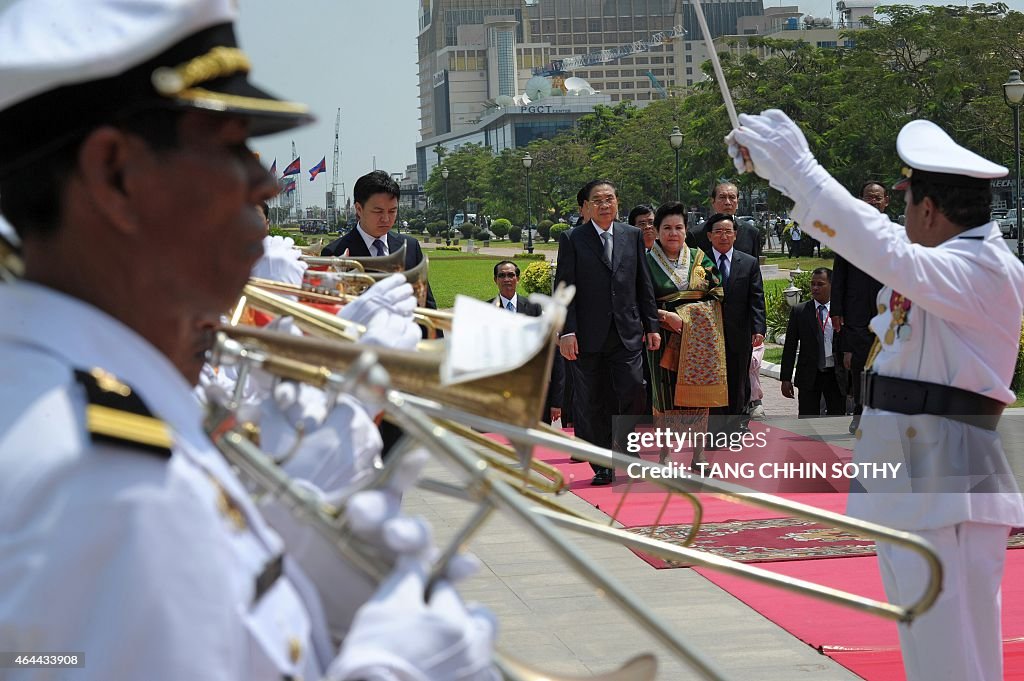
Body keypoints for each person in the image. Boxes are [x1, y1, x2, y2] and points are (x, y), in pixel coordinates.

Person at [0, 1, 496, 679]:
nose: (264, 182)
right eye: (231, 145)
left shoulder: (88, 415)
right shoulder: (107, 480)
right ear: (116, 175)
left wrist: (289, 576)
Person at [729, 109, 1024, 681]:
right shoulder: (947, 261)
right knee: (935, 652)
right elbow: (886, 243)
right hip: (917, 472)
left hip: (946, 477)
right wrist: (785, 177)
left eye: (908, 200)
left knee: (951, 656)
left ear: (930, 209)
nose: (901, 214)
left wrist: (804, 170)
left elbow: (886, 250)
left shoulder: (986, 267)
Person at [555, 180, 660, 485]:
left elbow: (644, 285)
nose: (605, 205)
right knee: (593, 400)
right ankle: (601, 461)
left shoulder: (632, 236)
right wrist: (567, 332)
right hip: (587, 335)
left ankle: (627, 450)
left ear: (617, 203)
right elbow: (565, 289)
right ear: (586, 207)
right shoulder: (573, 239)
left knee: (633, 389)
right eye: (597, 200)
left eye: (610, 199)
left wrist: (651, 324)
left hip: (626, 332)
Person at [644, 202, 727, 466]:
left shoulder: (700, 258)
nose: (673, 233)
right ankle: (666, 452)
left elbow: (717, 294)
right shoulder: (645, 262)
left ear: (686, 230)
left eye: (678, 227)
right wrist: (664, 317)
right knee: (665, 395)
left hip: (699, 341)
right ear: (656, 231)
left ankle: (698, 454)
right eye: (666, 228)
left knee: (699, 395)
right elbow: (636, 301)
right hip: (662, 337)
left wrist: (689, 318)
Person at [320, 170, 438, 313]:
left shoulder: (410, 246)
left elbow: (427, 306)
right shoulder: (334, 252)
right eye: (378, 212)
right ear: (358, 209)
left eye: (392, 211)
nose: (386, 219)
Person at [832, 181, 888, 432]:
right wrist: (837, 311)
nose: (873, 201)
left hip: (889, 314)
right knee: (859, 366)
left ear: (886, 201)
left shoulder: (896, 233)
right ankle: (859, 412)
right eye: (869, 197)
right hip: (857, 313)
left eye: (878, 198)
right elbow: (839, 276)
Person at [704, 213, 766, 437]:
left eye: (728, 231)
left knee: (739, 381)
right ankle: (715, 429)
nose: (723, 236)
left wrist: (758, 329)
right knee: (713, 382)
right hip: (708, 336)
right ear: (710, 236)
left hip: (740, 333)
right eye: (718, 232)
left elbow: (756, 297)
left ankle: (737, 427)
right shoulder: (700, 263)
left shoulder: (748, 262)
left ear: (735, 235)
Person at [489, 260, 563, 425]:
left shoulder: (535, 309)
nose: (507, 279)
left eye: (511, 275)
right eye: (502, 275)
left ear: (518, 279)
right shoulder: (487, 309)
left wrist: (556, 401)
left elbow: (551, 355)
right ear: (495, 280)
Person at [779, 267, 845, 416]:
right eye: (813, 284)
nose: (815, 288)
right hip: (809, 376)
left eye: (820, 284)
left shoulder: (841, 311)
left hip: (836, 375)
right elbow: (790, 346)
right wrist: (786, 378)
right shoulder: (800, 311)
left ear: (832, 285)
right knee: (807, 420)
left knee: (837, 419)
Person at [687, 182, 762, 261]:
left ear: (737, 202)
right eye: (722, 197)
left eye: (732, 197)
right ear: (713, 201)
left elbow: (754, 270)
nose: (727, 202)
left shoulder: (751, 233)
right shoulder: (695, 235)